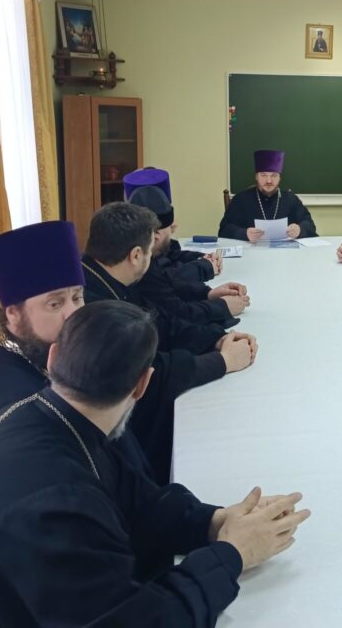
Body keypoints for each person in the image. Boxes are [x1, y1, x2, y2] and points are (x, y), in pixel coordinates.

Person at [0, 301, 310, 627]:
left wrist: (216, 521)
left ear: (54, 358)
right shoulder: (58, 504)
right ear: (143, 384)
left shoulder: (47, 414)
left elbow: (137, 500)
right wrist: (232, 553)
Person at [82, 202, 256, 481]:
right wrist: (222, 361)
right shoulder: (96, 305)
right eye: (150, 250)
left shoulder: (112, 279)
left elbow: (163, 324)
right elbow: (153, 372)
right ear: (136, 255)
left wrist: (217, 339)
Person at [0, 220, 85, 455]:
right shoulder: (16, 406)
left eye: (77, 297)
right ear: (13, 313)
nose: (73, 314)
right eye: (55, 304)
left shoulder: (36, 354)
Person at [129, 184, 249, 328]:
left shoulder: (142, 257)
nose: (174, 228)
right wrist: (222, 307)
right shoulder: (141, 268)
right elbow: (176, 314)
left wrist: (208, 294)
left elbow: (166, 284)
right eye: (171, 228)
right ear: (156, 235)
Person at [125, 166, 223, 284]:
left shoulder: (153, 243)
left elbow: (172, 253)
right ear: (156, 234)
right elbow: (167, 280)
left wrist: (202, 257)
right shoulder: (138, 258)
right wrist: (206, 267)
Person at [219, 150, 317, 242]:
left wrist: (299, 229)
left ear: (279, 178)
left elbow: (309, 225)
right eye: (263, 175)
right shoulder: (241, 199)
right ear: (256, 177)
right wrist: (244, 234)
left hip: (285, 252)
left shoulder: (291, 199)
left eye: (274, 175)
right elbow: (224, 229)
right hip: (252, 252)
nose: (269, 181)